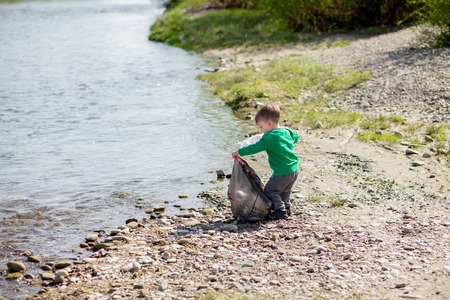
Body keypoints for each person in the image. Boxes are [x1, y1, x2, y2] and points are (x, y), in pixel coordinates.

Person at [231, 103, 299, 219]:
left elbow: (255, 147)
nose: (261, 131)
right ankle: (287, 208)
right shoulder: (286, 131)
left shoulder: (269, 137)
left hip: (281, 172)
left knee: (270, 191)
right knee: (285, 191)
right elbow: (296, 137)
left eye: (261, 127)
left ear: (269, 123)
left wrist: (239, 152)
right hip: (294, 170)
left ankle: (280, 211)